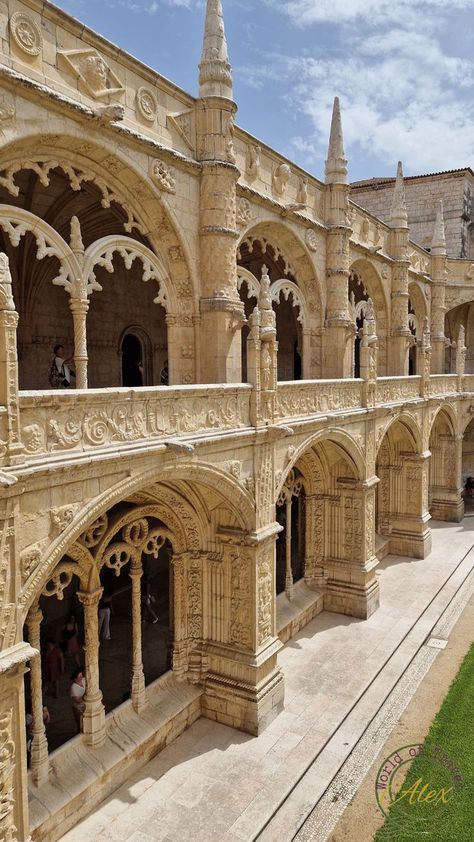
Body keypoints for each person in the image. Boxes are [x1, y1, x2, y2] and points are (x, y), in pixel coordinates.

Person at [69, 668, 86, 733]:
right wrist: (86, 695)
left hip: (85, 704)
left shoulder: (84, 680)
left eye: (82, 676)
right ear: (75, 679)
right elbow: (77, 700)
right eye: (80, 677)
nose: (81, 678)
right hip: (78, 708)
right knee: (80, 723)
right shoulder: (73, 687)